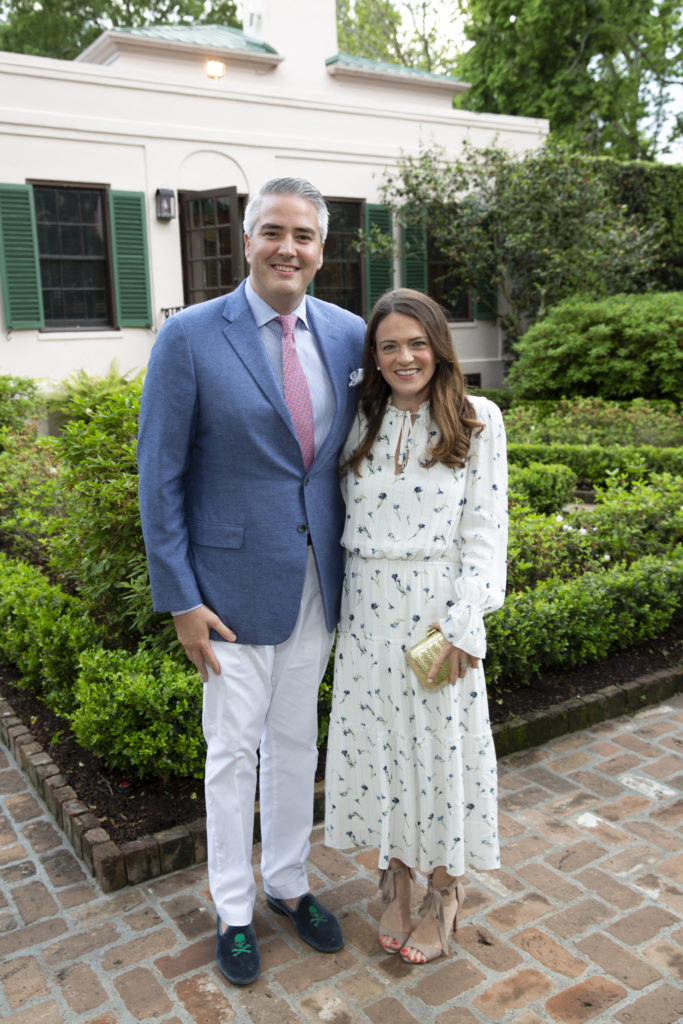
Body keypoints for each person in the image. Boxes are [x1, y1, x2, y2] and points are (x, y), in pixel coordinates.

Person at [137, 177, 365, 986]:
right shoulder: (190, 337)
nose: (286, 248)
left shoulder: (348, 334)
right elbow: (159, 475)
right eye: (272, 231)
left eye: (302, 235)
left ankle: (288, 883)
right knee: (232, 752)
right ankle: (234, 909)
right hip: (225, 592)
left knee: (296, 740)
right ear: (246, 241)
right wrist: (181, 598)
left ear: (321, 249)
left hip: (317, 581)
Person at [324, 288, 508, 965]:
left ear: (438, 347)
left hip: (438, 613)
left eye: (416, 343)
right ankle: (395, 876)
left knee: (438, 752)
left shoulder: (477, 419)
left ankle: (443, 890)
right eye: (389, 346)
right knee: (381, 750)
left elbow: (485, 531)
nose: (404, 357)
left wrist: (463, 623)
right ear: (373, 356)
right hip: (364, 611)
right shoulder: (356, 418)